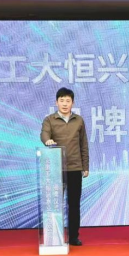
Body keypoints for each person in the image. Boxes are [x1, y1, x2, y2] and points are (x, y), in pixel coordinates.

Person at [41, 87, 89, 246]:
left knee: (74, 204)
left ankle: (74, 236)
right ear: (56, 102)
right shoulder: (49, 119)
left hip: (75, 167)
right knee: (55, 204)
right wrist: (47, 140)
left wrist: (85, 166)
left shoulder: (79, 120)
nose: (65, 104)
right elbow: (44, 134)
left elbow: (83, 144)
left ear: (72, 103)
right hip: (56, 168)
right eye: (61, 100)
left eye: (68, 101)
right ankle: (54, 234)